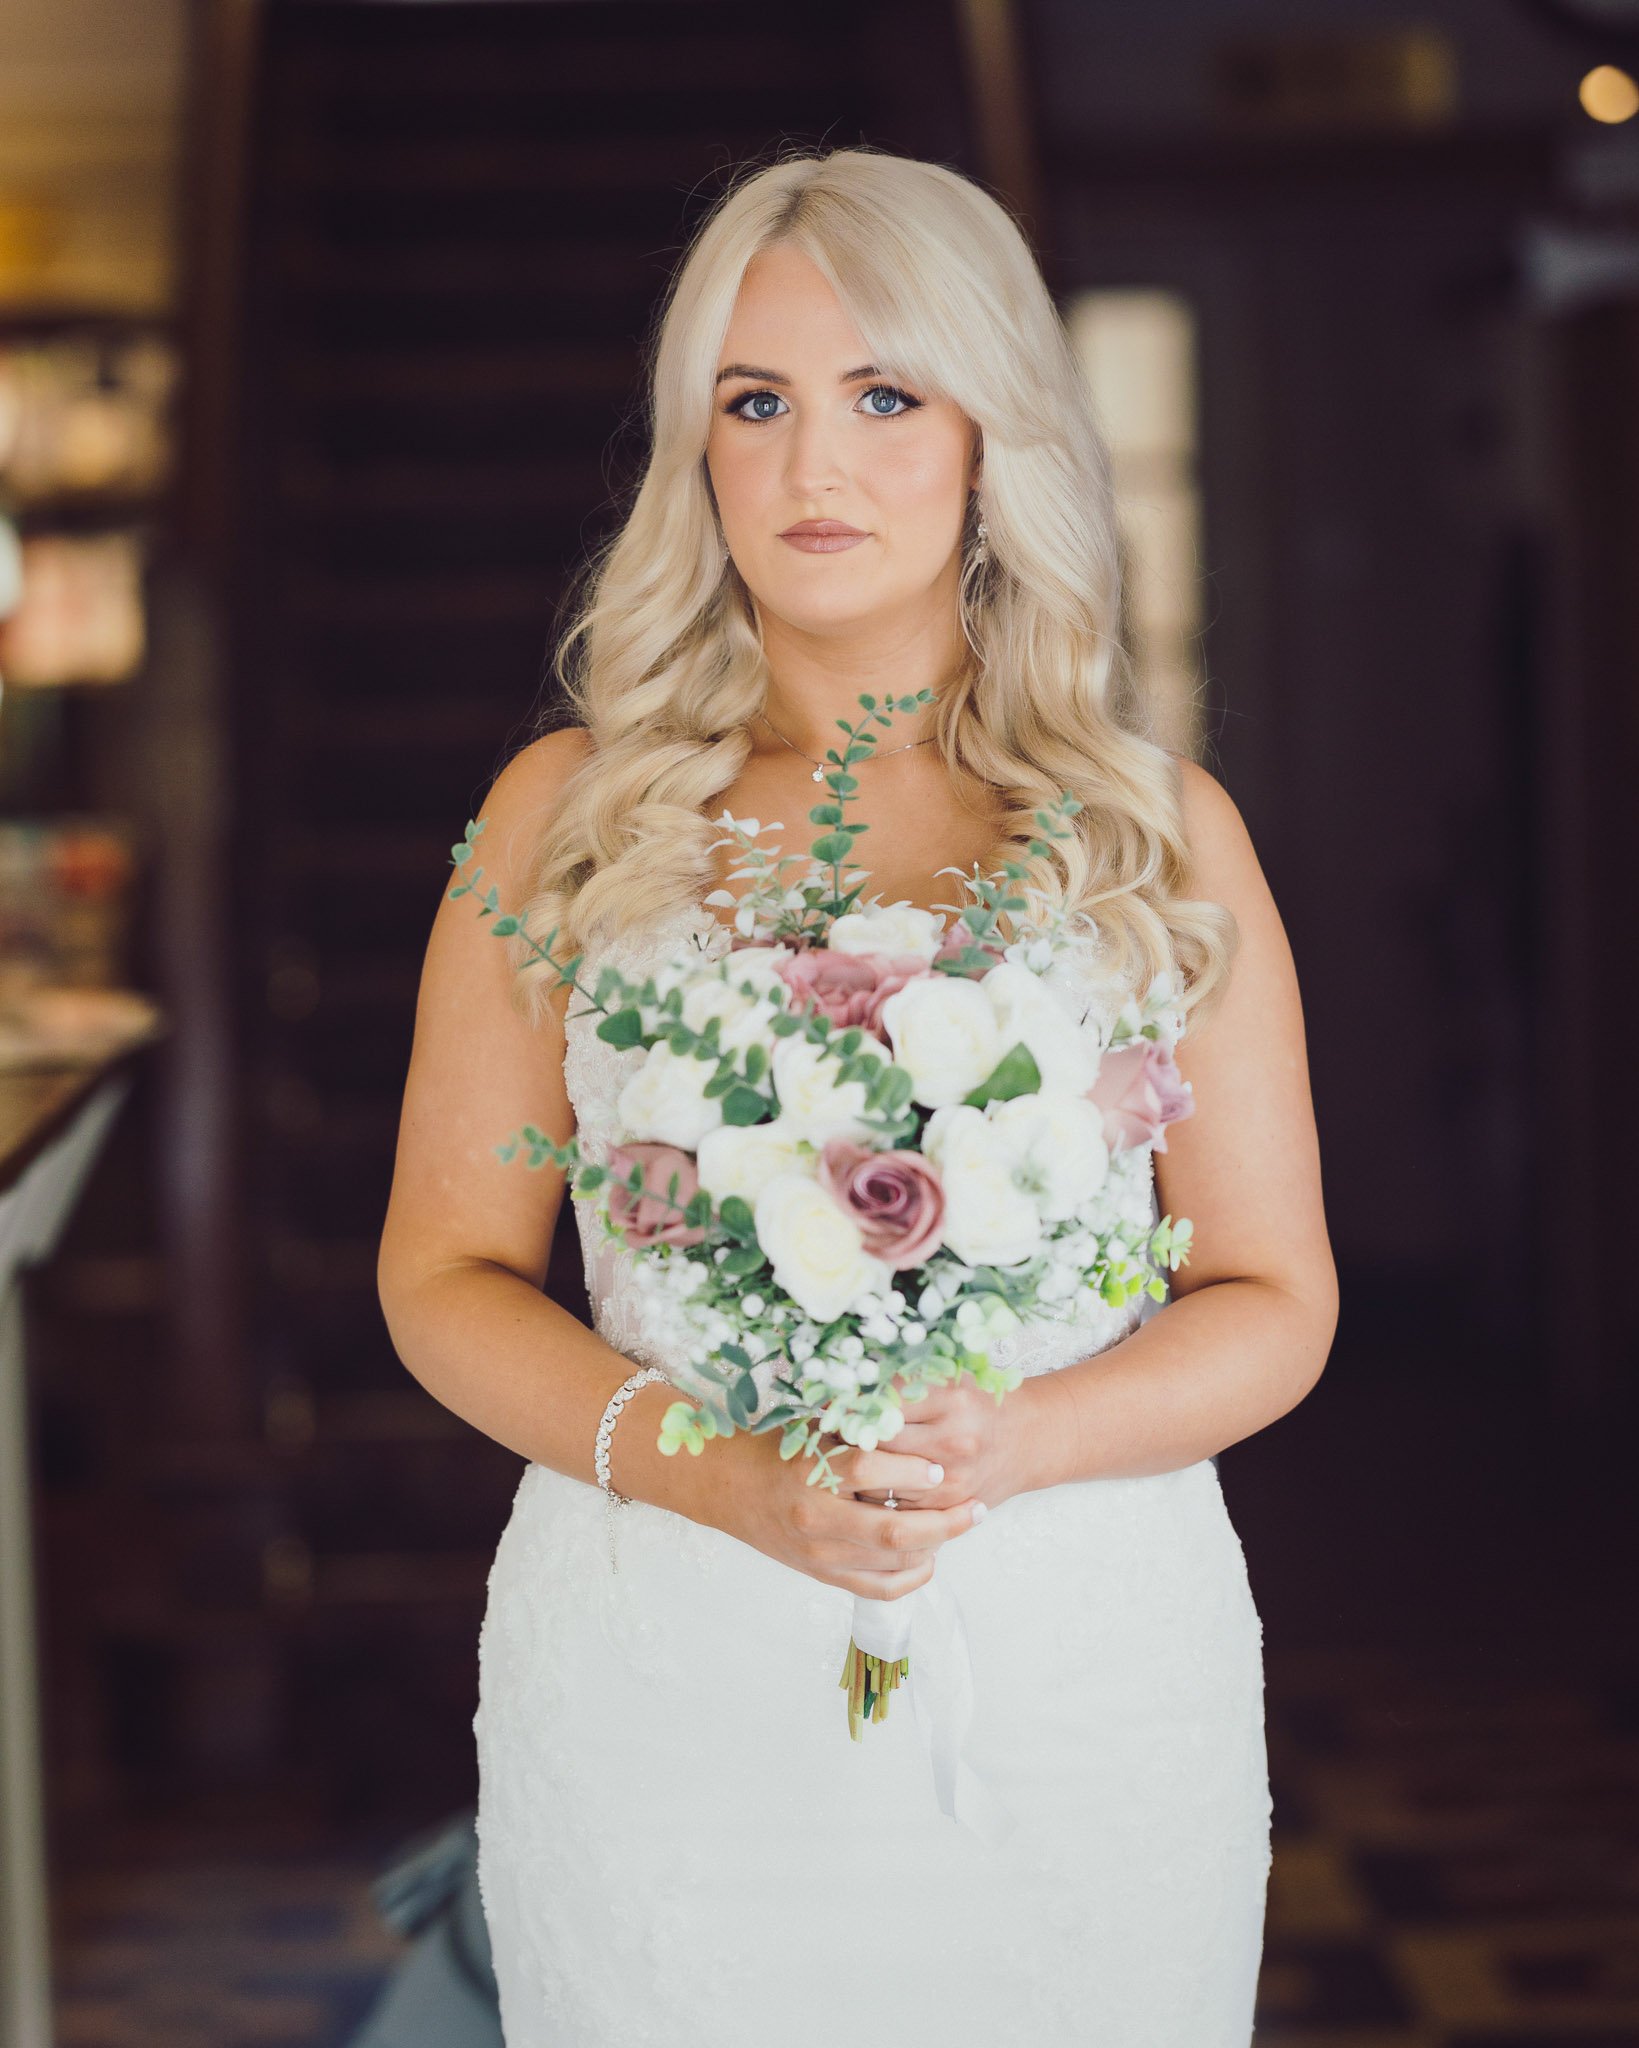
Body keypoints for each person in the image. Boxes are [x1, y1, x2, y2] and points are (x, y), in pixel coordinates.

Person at [376, 145, 1338, 2047]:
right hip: (667, 1681)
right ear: (697, 453)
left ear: (996, 438)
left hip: (1073, 1672)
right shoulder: (561, 820)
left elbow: (1275, 1299)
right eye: (756, 404)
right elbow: (440, 1278)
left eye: (885, 396)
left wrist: (1013, 1442)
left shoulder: (1151, 837)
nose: (815, 466)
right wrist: (731, 1479)